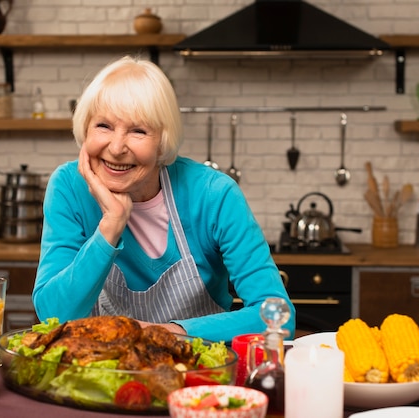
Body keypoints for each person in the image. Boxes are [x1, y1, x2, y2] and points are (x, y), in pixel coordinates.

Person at [32, 55, 296, 343]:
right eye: (103, 126)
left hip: (198, 373)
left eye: (138, 131)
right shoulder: (69, 188)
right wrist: (112, 224)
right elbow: (53, 315)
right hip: (101, 373)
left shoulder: (214, 195)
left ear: (163, 142)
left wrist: (170, 334)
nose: (117, 147)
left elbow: (279, 317)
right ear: (85, 129)